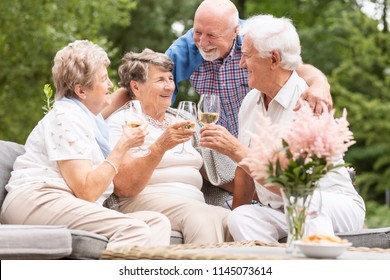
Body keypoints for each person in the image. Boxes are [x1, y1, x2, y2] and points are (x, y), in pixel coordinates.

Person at [199, 15, 365, 243]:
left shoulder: (308, 103)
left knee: (301, 202)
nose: (241, 63)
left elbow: (291, 185)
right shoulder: (250, 102)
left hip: (330, 203)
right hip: (283, 208)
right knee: (241, 217)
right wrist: (233, 230)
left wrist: (235, 150)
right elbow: (245, 172)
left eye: (247, 56)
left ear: (274, 59)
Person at [0, 40, 171, 250]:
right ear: (81, 91)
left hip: (64, 201)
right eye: (103, 79)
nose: (110, 85)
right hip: (37, 199)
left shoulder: (90, 120)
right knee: (133, 229)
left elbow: (120, 96)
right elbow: (87, 191)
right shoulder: (66, 117)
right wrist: (123, 145)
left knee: (157, 222)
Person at [103, 0, 332, 138]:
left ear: (235, 31)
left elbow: (298, 69)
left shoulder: (253, 41)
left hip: (260, 135)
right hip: (218, 144)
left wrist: (321, 85)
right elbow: (143, 83)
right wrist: (95, 118)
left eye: (212, 35)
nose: (202, 43)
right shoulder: (188, 47)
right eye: (198, 32)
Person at [106, 48, 232, 244]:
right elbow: (124, 186)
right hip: (144, 199)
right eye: (160, 80)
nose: (169, 87)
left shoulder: (182, 118)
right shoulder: (123, 121)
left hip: (193, 202)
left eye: (170, 79)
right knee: (201, 217)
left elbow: (221, 171)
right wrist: (160, 146)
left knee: (235, 221)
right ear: (136, 88)